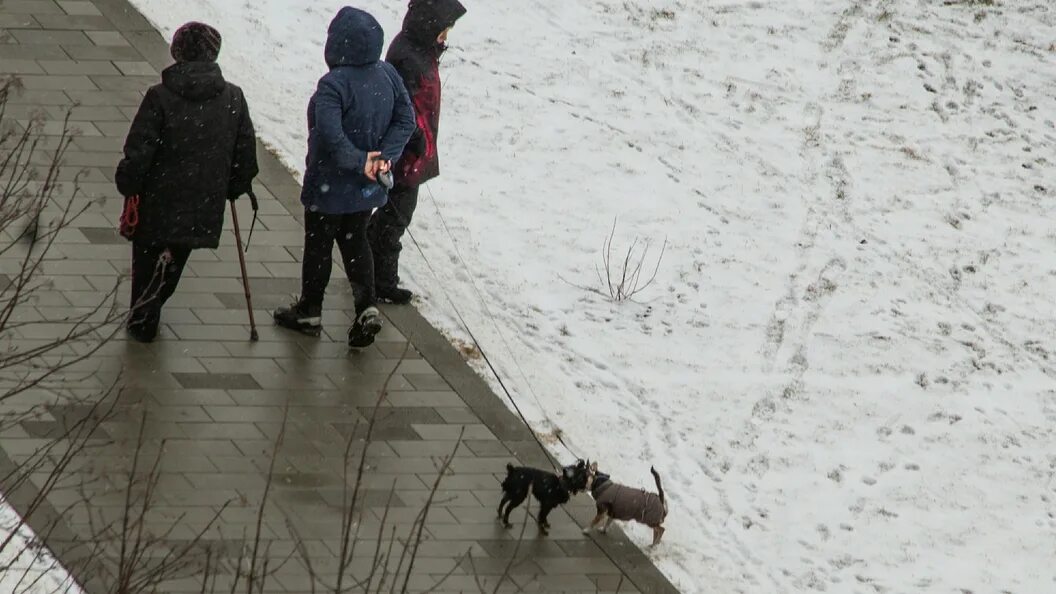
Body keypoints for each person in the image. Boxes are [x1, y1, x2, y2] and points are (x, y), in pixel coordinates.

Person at [273, 6, 415, 348]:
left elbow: (331, 135)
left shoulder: (333, 84)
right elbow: (406, 120)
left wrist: (360, 160)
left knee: (319, 246)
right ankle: (365, 307)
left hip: (330, 186)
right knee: (356, 242)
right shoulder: (388, 75)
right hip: (366, 190)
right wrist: (383, 159)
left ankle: (310, 308)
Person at [116, 22, 258, 343]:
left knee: (147, 257)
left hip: (158, 197)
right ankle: (155, 300)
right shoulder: (233, 98)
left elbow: (139, 149)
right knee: (177, 253)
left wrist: (129, 181)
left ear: (177, 52)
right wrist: (235, 185)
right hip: (202, 202)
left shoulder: (159, 97)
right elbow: (244, 153)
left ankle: (144, 315)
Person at [368, 0, 466, 305]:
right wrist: (415, 141)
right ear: (427, 27)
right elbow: (403, 108)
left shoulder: (419, 51)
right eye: (442, 32)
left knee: (393, 214)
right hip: (406, 153)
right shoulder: (408, 57)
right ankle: (379, 279)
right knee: (395, 217)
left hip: (413, 152)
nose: (445, 39)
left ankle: (370, 267)